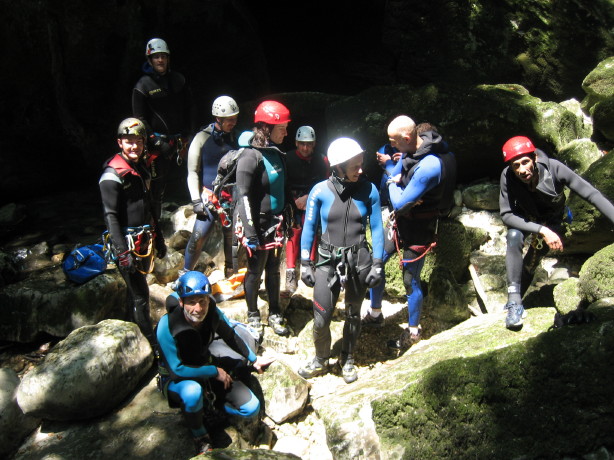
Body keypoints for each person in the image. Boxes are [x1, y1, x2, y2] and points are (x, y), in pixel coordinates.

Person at [499, 135, 614, 329]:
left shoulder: (555, 169)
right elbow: (506, 215)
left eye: (525, 162)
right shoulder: (507, 176)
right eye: (516, 165)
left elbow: (592, 194)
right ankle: (514, 303)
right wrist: (541, 230)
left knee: (532, 260)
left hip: (552, 219)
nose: (521, 170)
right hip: (527, 219)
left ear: (534, 158)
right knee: (513, 237)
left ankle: (518, 302)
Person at [362, 116, 456, 350]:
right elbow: (399, 185)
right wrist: (399, 184)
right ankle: (375, 313)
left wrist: (393, 183)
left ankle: (413, 331)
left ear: (406, 138)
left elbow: (400, 203)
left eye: (393, 141)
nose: (391, 145)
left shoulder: (430, 165)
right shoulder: (410, 151)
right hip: (400, 224)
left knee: (410, 280)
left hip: (420, 229)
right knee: (376, 263)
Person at [156, 271, 273, 454]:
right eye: (191, 302)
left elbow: (230, 335)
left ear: (208, 300)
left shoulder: (212, 312)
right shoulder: (167, 325)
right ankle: (200, 434)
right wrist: (214, 371)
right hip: (177, 380)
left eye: (202, 301)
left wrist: (254, 359)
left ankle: (210, 410)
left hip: (206, 368)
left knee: (251, 408)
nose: (198, 308)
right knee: (193, 392)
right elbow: (176, 370)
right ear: (181, 302)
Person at [297, 137, 384, 383]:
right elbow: (308, 227)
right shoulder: (320, 191)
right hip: (327, 260)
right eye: (355, 166)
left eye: (361, 164)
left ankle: (347, 358)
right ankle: (320, 359)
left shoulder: (370, 190)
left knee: (353, 314)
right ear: (339, 166)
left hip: (359, 260)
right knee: (321, 318)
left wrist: (378, 264)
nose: (361, 170)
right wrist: (305, 262)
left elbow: (377, 228)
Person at [99, 118, 167, 345]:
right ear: (120, 143)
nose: (134, 146)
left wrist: (159, 238)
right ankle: (151, 344)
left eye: (138, 141)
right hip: (127, 243)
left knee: (135, 293)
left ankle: (133, 334)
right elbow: (110, 216)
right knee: (141, 295)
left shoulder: (141, 167)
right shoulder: (112, 175)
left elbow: (149, 205)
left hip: (143, 238)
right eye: (129, 142)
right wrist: (122, 253)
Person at [235, 100, 294, 337]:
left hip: (275, 223)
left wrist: (290, 213)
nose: (286, 132)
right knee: (255, 270)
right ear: (267, 128)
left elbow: (283, 187)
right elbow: (242, 196)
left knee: (274, 269)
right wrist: (250, 232)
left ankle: (275, 312)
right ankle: (252, 315)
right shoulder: (250, 156)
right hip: (257, 224)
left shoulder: (276, 153)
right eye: (283, 128)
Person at [132, 38, 197, 222]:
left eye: (163, 56)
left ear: (168, 58)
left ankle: (193, 221)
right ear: (149, 60)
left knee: (192, 177)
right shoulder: (143, 86)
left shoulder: (178, 80)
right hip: (158, 144)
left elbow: (191, 106)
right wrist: (157, 142)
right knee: (157, 188)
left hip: (181, 140)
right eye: (156, 57)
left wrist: (191, 133)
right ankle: (155, 227)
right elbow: (140, 119)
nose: (160, 60)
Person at [183, 95, 240, 279]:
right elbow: (192, 171)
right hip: (209, 197)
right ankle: (185, 274)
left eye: (235, 118)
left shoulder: (235, 137)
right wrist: (196, 200)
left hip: (231, 197)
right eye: (229, 119)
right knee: (198, 236)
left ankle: (230, 274)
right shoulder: (202, 138)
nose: (233, 122)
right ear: (218, 118)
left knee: (231, 237)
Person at [284, 126, 329, 293]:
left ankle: (308, 267)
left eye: (309, 144)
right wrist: (293, 201)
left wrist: (309, 197)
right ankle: (290, 272)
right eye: (302, 144)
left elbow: (326, 183)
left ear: (314, 144)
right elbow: (282, 183)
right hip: (293, 201)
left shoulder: (322, 160)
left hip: (313, 198)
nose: (305, 148)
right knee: (293, 232)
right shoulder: (287, 159)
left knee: (311, 228)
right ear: (296, 143)